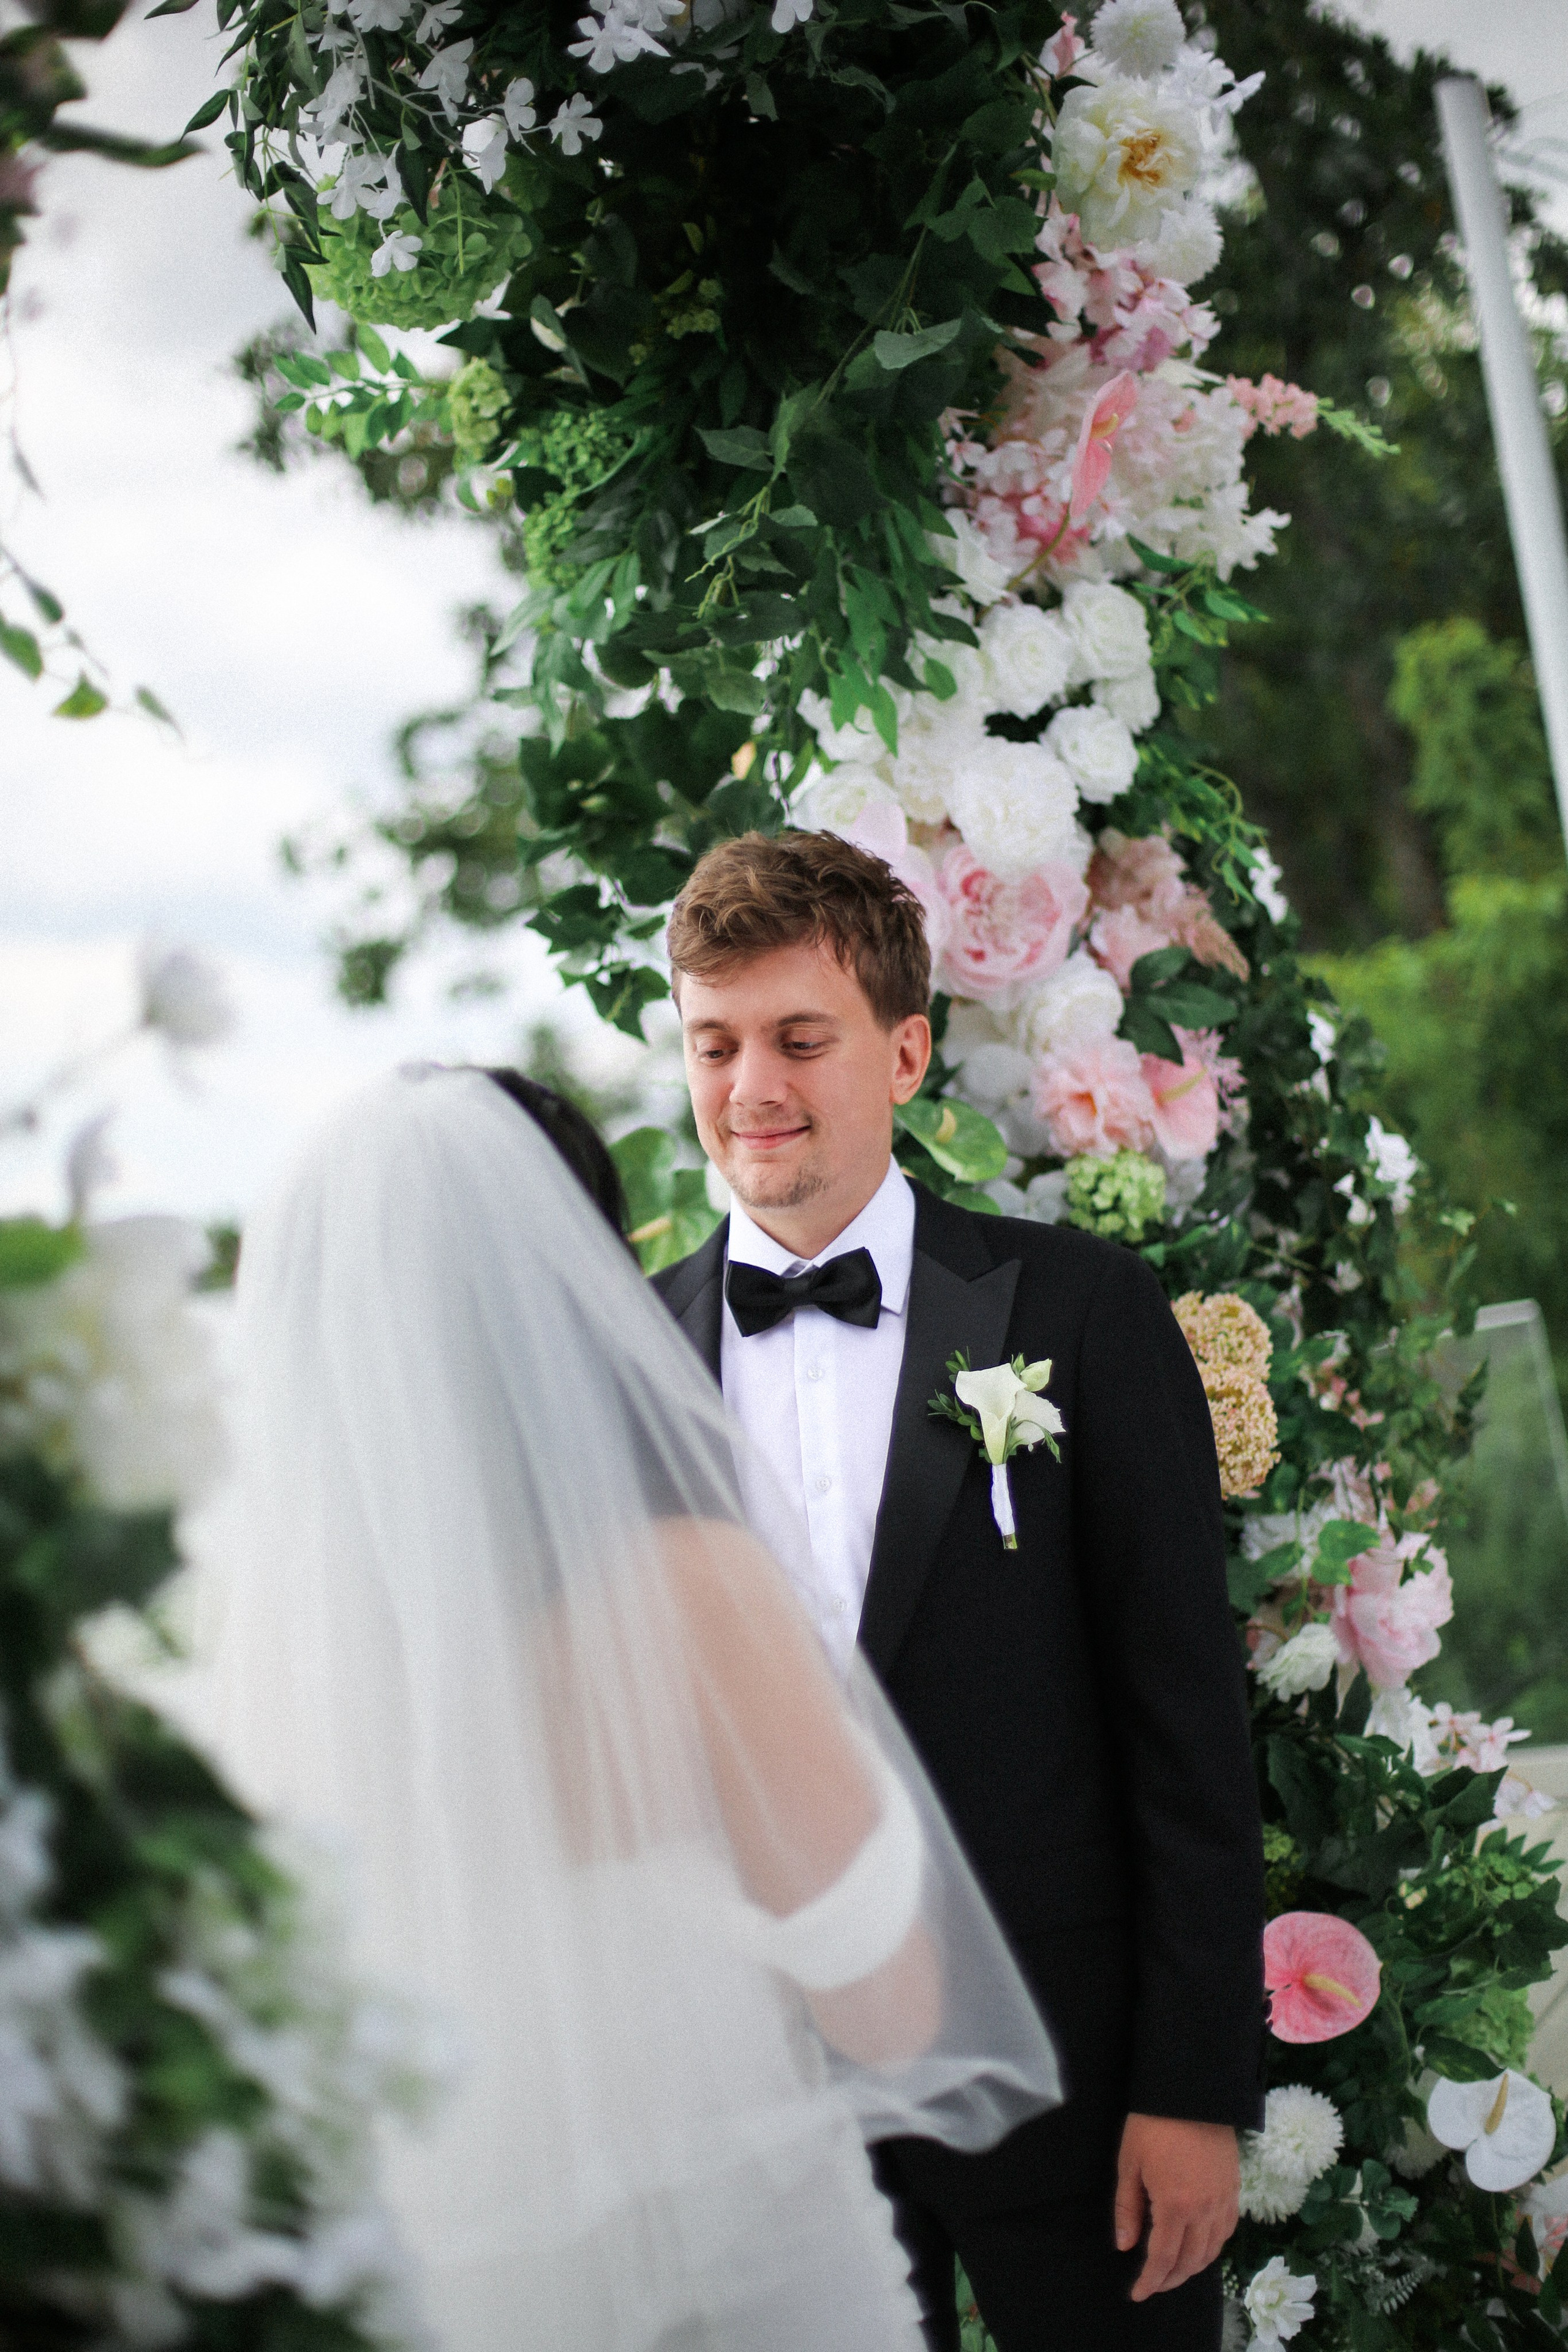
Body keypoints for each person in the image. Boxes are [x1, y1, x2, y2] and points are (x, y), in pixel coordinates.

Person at [198, 1063, 1061, 2352]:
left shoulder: (292, 1667)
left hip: (468, 2296)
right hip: (747, 2272)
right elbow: (887, 2004)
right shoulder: (684, 1592)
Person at [651, 832, 1267, 2352]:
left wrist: (1190, 2087)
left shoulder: (1081, 1313)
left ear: (907, 1052)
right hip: (764, 2106)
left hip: (1068, 2079)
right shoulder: (626, 1361)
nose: (753, 1089)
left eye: (801, 1039)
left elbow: (1185, 1722)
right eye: (714, 1044)